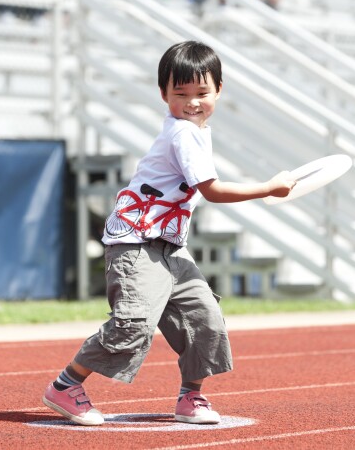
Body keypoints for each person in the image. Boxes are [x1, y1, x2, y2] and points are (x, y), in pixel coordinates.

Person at [42, 41, 296, 426]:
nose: (192, 102)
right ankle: (65, 385)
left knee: (204, 317)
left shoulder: (198, 132)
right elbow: (212, 190)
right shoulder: (182, 134)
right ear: (164, 94)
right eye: (181, 94)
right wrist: (269, 187)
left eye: (202, 93)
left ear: (219, 90)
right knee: (134, 321)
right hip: (135, 243)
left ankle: (191, 398)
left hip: (170, 246)